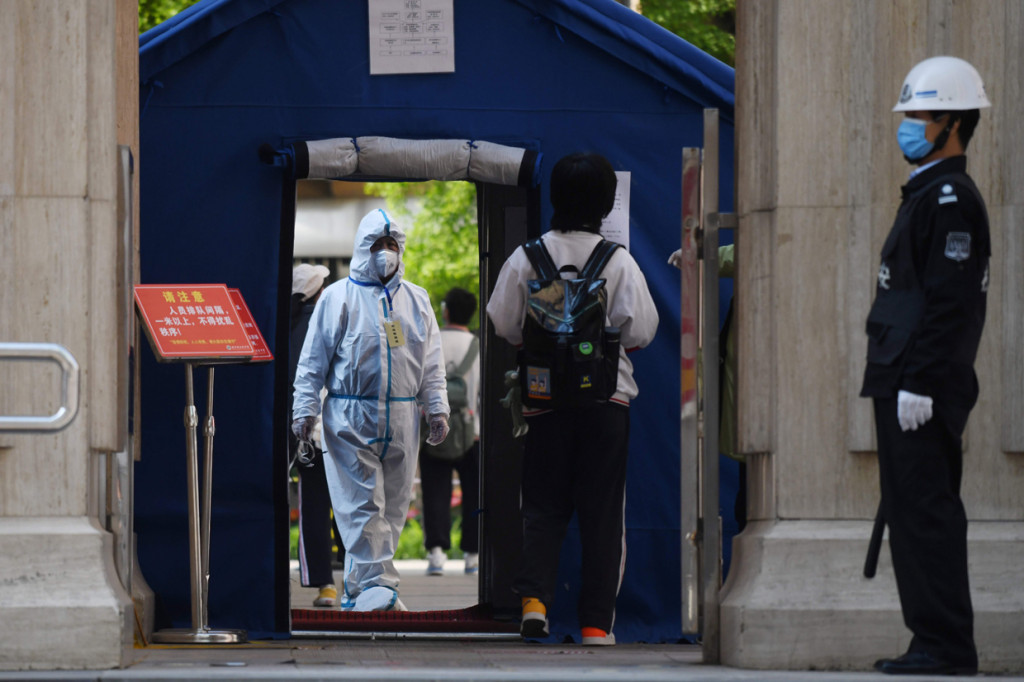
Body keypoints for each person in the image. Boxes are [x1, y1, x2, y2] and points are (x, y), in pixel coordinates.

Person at [486, 152, 659, 646]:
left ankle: (535, 603)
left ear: (555, 197)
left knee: (541, 506)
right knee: (604, 516)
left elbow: (503, 322)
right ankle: (595, 625)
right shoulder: (618, 261)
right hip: (608, 406)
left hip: (543, 403)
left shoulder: (527, 257)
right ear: (605, 204)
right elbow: (641, 332)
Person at [861, 56, 990, 677]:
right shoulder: (926, 195)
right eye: (908, 114)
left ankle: (946, 645)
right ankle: (929, 640)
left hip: (920, 384)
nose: (907, 126)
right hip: (900, 375)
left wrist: (922, 381)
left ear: (952, 123)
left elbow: (950, 302)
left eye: (919, 115)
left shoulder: (950, 199)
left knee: (927, 512)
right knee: (910, 513)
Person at [292, 208, 450, 612]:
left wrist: (437, 408)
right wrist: (305, 410)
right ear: (362, 249)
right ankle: (380, 587)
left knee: (393, 508)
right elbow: (313, 362)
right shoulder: (337, 296)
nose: (385, 253)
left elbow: (431, 362)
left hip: (401, 418)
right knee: (361, 505)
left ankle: (361, 591)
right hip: (349, 416)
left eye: (392, 244)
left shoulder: (417, 299)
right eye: (377, 245)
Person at [289, 263, 342, 607]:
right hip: (338, 429)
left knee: (313, 506)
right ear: (320, 292)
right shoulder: (330, 322)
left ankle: (325, 584)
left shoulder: (284, 326)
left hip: (301, 433)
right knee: (352, 507)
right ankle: (359, 579)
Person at [420, 287, 481, 577]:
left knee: (434, 491)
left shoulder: (431, 341)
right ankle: (472, 555)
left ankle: (436, 554)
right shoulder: (479, 346)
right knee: (474, 493)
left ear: (445, 311)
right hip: (473, 430)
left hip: (433, 428)